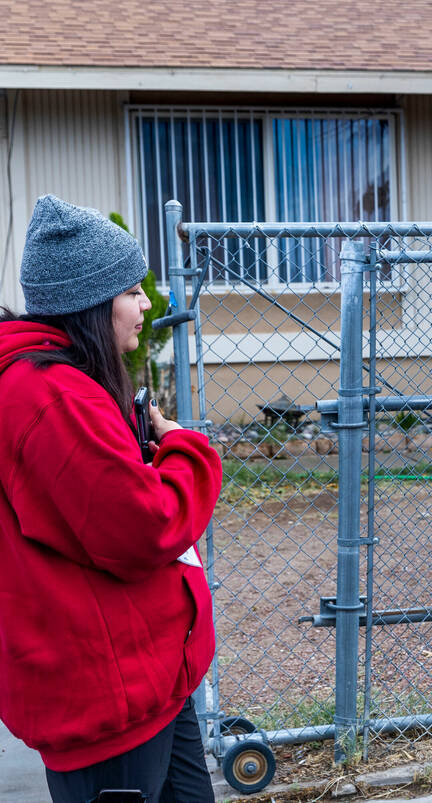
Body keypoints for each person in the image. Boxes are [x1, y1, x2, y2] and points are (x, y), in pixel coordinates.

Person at [0, 196, 223, 801]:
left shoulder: (64, 382)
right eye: (132, 290)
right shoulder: (51, 397)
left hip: (147, 685)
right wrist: (186, 450)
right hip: (109, 706)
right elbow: (143, 526)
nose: (147, 304)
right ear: (92, 302)